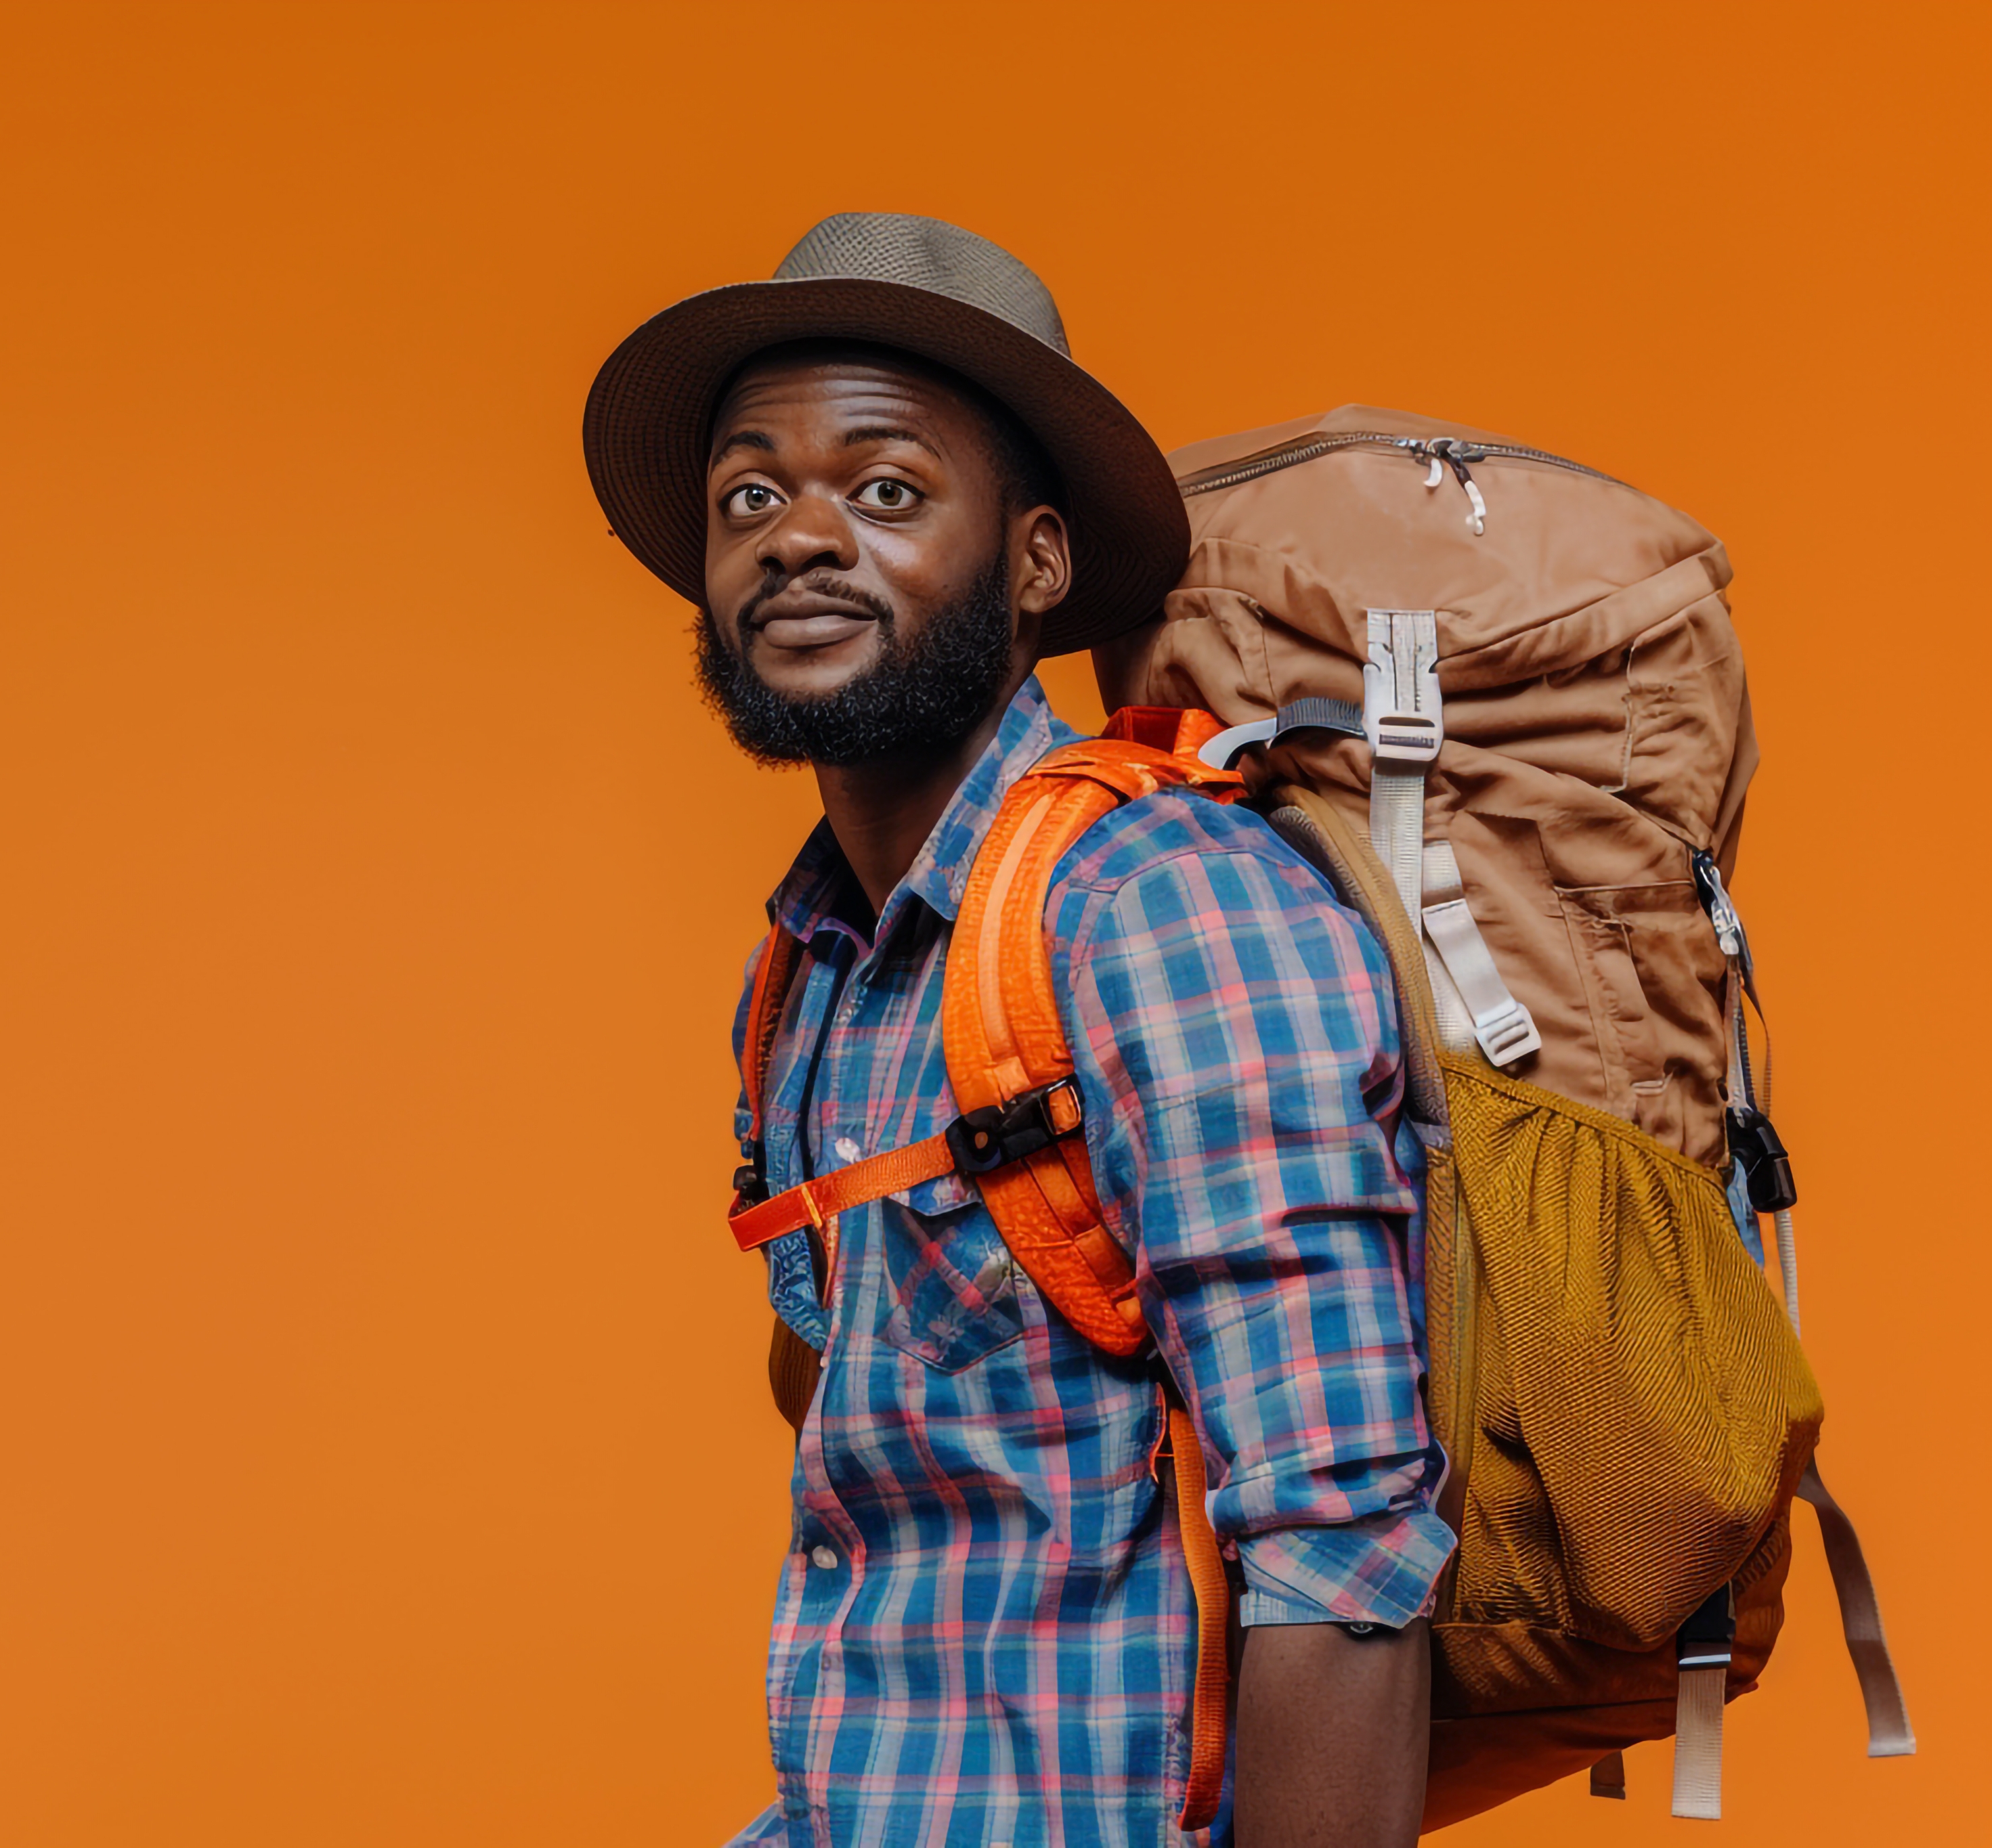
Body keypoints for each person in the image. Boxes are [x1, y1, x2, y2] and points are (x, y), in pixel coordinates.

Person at [582, 215, 1450, 1848]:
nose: (796, 537)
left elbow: (1340, 1546)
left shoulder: (1157, 907)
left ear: (1035, 563)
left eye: (884, 490)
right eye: (748, 497)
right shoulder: (809, 970)